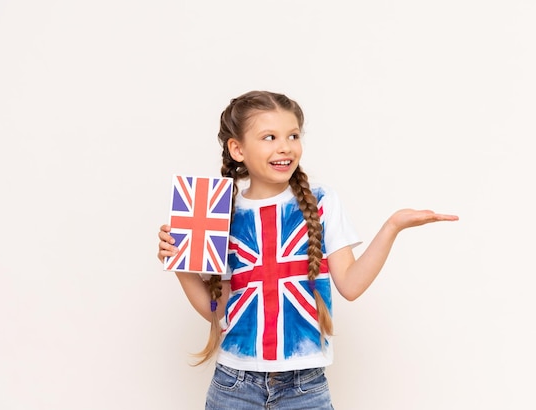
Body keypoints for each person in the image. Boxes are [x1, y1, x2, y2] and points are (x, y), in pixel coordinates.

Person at [157, 90, 458, 409]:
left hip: (305, 388)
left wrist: (392, 226)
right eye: (269, 137)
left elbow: (351, 286)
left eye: (293, 135)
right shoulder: (220, 213)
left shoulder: (322, 201)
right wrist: (180, 263)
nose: (284, 146)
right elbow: (220, 312)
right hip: (234, 386)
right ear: (238, 149)